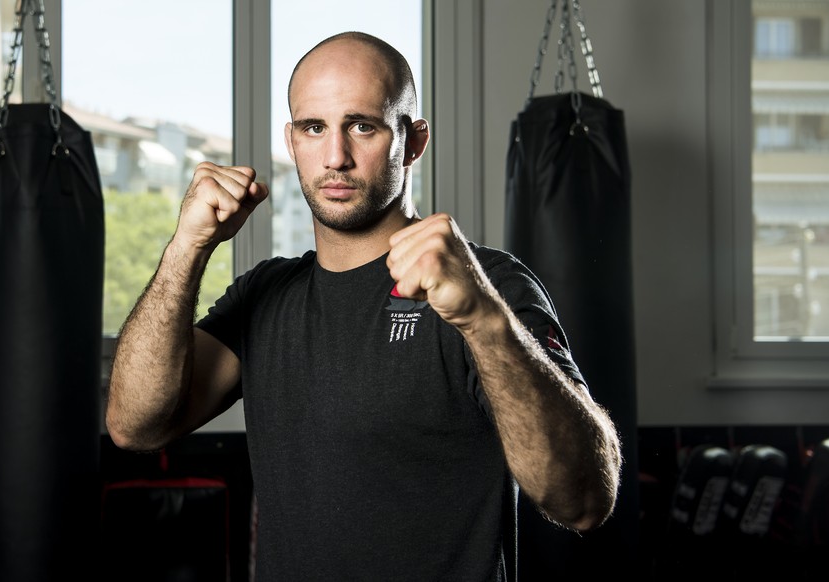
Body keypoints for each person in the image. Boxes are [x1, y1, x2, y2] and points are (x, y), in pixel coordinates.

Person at [107, 31, 622, 581]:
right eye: (314, 128)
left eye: (363, 125)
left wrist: (484, 319)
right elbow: (134, 427)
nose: (336, 157)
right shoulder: (266, 295)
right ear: (292, 140)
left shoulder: (486, 286)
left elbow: (584, 500)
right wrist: (188, 247)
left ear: (414, 141)